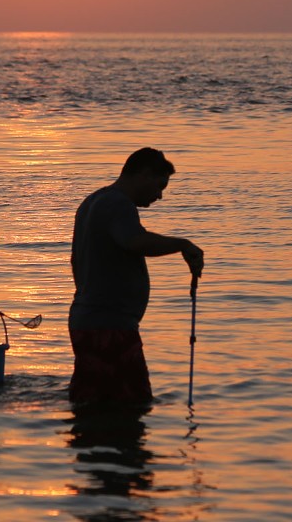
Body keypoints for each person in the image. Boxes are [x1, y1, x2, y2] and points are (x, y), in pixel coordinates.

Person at [68, 147, 205, 405]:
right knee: (132, 403)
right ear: (143, 174)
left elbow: (76, 260)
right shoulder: (118, 204)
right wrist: (182, 244)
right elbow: (135, 241)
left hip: (90, 320)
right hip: (108, 325)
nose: (160, 196)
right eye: (159, 186)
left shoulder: (93, 201)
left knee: (93, 401)